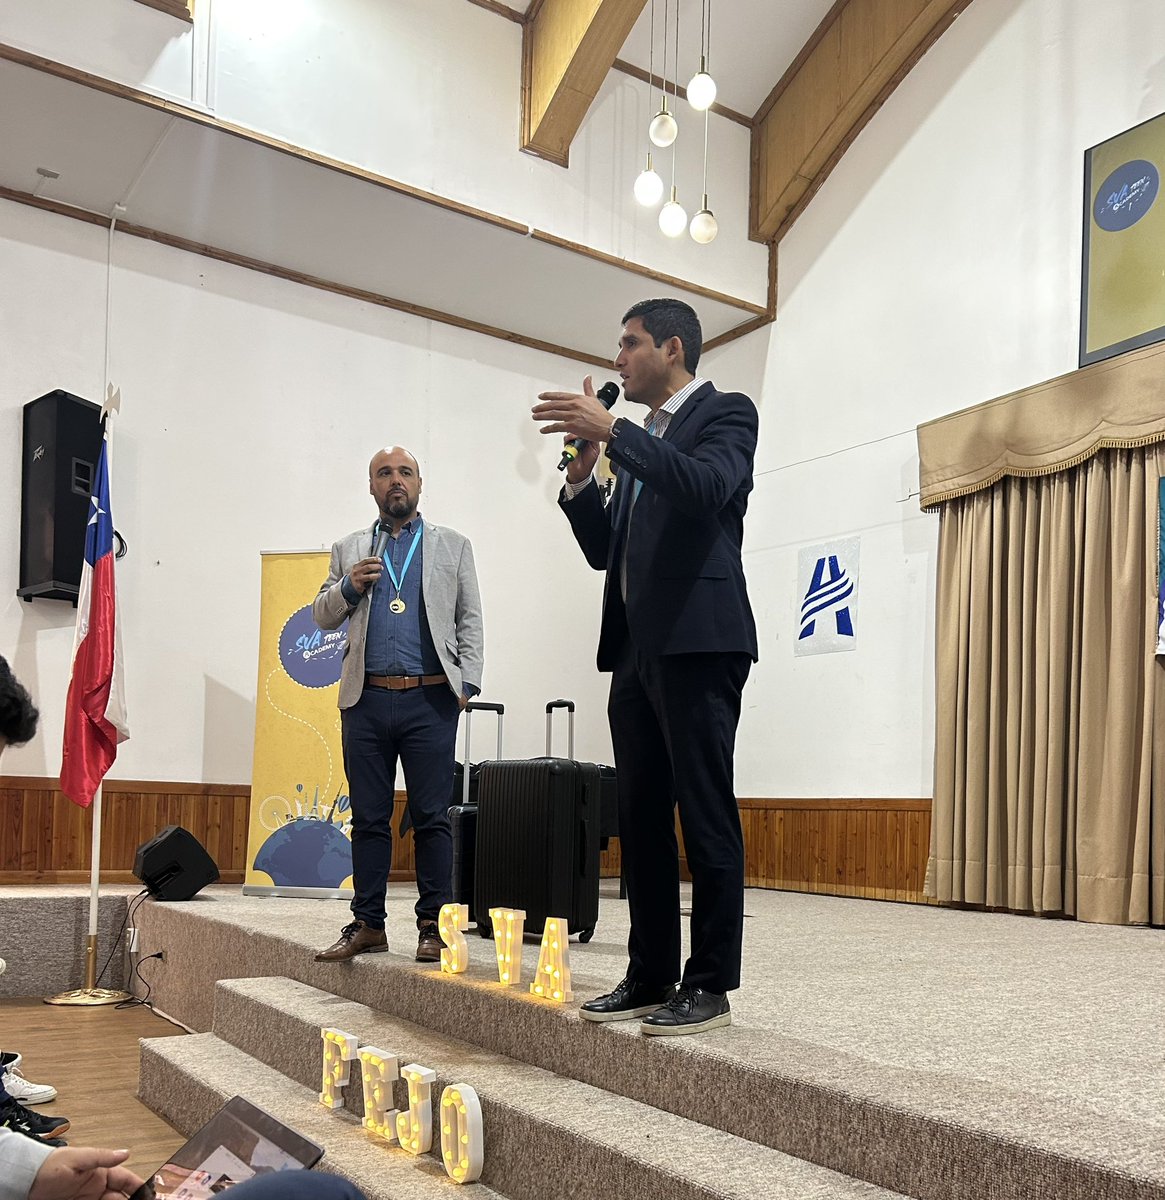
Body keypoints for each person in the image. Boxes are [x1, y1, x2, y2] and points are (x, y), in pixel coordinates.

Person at [532, 298, 758, 1036]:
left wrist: (615, 433)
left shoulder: (724, 414)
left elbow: (704, 491)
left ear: (671, 347)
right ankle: (650, 972)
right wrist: (582, 477)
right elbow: (607, 550)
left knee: (703, 810)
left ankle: (710, 983)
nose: (618, 359)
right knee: (642, 822)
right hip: (634, 650)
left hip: (700, 641)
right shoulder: (636, 442)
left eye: (629, 344)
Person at [313, 447, 484, 964]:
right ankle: (369, 924)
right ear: (371, 487)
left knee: (432, 818)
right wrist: (348, 586)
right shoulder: (348, 548)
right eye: (384, 473)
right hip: (364, 702)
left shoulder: (453, 546)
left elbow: (469, 618)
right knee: (368, 819)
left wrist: (466, 686)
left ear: (419, 484)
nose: (395, 481)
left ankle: (434, 927)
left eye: (404, 473)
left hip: (431, 699)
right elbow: (322, 615)